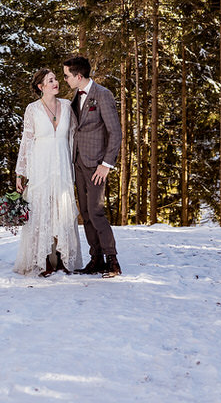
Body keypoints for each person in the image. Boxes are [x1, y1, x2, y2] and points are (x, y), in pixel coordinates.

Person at [13, 68, 83, 276]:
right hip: (40, 166)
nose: (55, 83)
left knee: (62, 210)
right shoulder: (32, 109)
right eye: (50, 80)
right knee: (41, 209)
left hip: (62, 165)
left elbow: (73, 138)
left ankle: (62, 258)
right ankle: (44, 259)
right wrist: (20, 173)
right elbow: (26, 142)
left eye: (55, 79)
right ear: (40, 87)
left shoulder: (67, 106)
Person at [63, 54, 122, 277]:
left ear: (79, 76)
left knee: (97, 212)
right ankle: (96, 259)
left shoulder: (103, 95)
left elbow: (115, 132)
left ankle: (113, 261)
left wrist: (106, 164)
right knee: (86, 213)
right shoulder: (75, 97)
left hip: (97, 165)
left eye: (67, 75)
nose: (65, 79)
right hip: (78, 163)